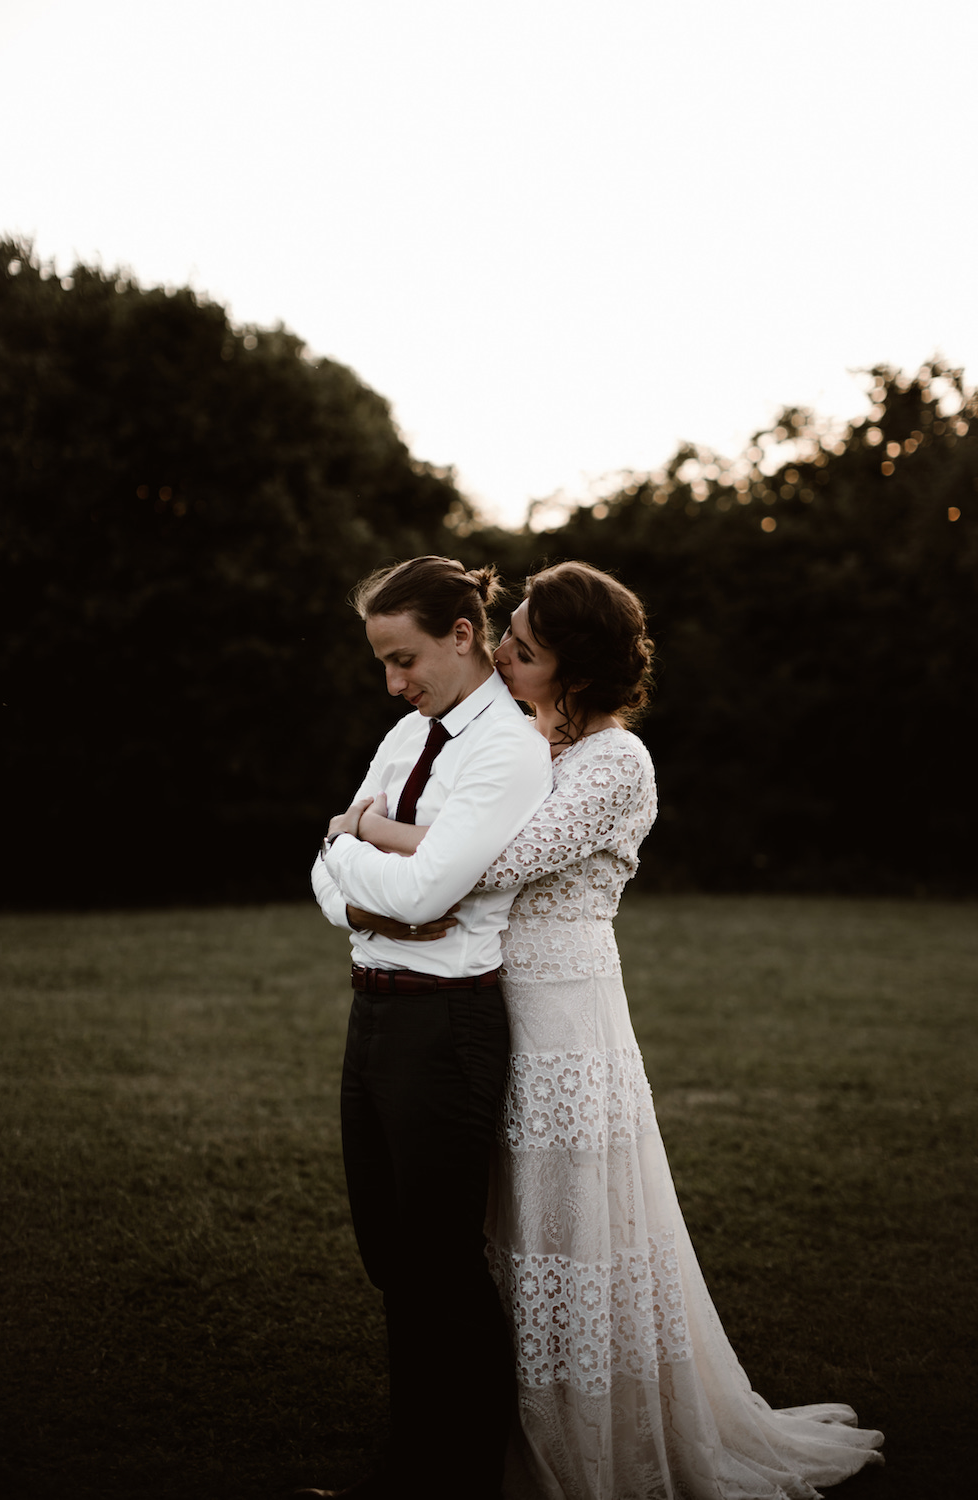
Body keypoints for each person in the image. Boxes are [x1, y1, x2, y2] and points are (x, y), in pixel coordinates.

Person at [353, 561, 884, 1500]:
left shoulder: (614, 763)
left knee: (571, 1229)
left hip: (564, 1023)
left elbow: (486, 863)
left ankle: (592, 1433)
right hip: (480, 1004)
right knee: (489, 1230)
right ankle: (489, 1424)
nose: (503, 658)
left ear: (575, 667)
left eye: (521, 648)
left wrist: (361, 827)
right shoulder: (519, 745)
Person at [309, 555, 553, 1500]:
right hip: (372, 1013)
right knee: (391, 1256)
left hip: (446, 1027)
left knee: (441, 1266)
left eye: (404, 659)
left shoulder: (507, 748)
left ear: (462, 634)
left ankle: (455, 1479)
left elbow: (431, 889)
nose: (393, 683)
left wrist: (352, 844)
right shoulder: (405, 734)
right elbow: (335, 870)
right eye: (381, 662)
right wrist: (362, 878)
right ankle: (408, 1471)